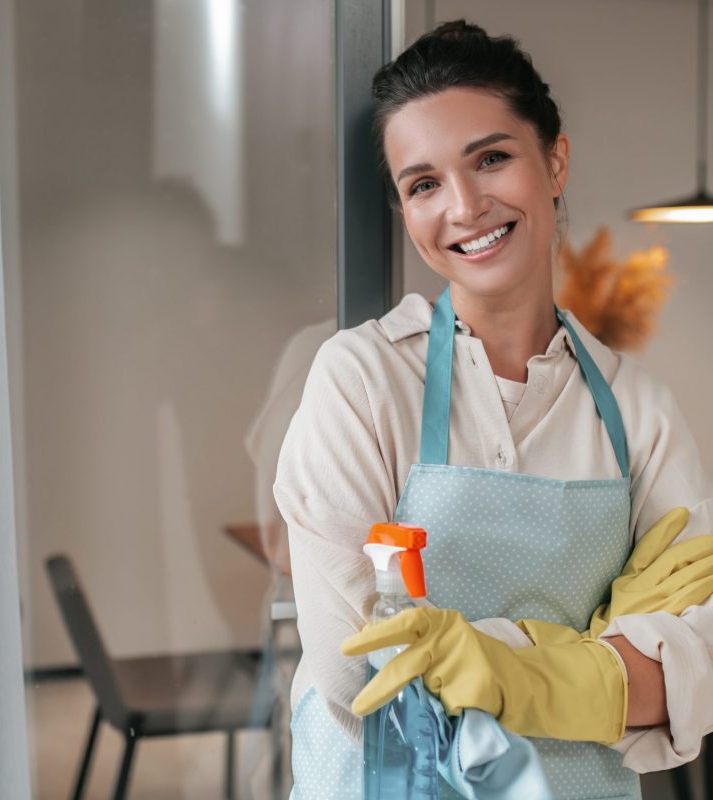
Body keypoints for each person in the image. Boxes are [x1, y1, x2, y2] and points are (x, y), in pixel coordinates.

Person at [274, 20, 713, 800]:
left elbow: (696, 670)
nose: (466, 206)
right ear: (407, 212)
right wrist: (594, 660)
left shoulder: (638, 411)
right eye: (424, 184)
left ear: (555, 161)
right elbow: (364, 671)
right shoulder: (361, 381)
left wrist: (497, 665)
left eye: (492, 158)